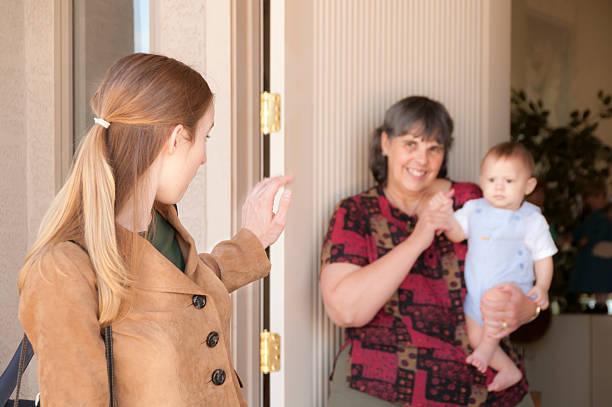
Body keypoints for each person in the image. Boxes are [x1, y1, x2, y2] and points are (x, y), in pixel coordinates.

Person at [17, 53, 292, 406]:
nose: (204, 158)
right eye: (205, 137)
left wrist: (252, 240)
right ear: (176, 138)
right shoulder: (62, 268)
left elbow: (186, 285)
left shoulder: (162, 225)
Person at [320, 96, 540, 406]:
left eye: (433, 148)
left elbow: (531, 270)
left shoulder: (476, 202)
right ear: (385, 143)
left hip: (483, 386)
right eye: (410, 144)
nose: (422, 161)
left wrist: (528, 308)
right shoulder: (357, 212)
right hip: (381, 386)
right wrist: (418, 238)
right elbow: (345, 311)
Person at [430, 142, 557, 391]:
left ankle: (487, 350)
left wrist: (542, 286)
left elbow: (544, 256)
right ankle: (508, 369)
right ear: (481, 181)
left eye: (509, 181)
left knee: (491, 316)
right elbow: (456, 234)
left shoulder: (532, 220)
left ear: (528, 186)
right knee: (475, 335)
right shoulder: (474, 209)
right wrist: (446, 218)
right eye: (491, 180)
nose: (498, 187)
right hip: (476, 293)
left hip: (510, 290)